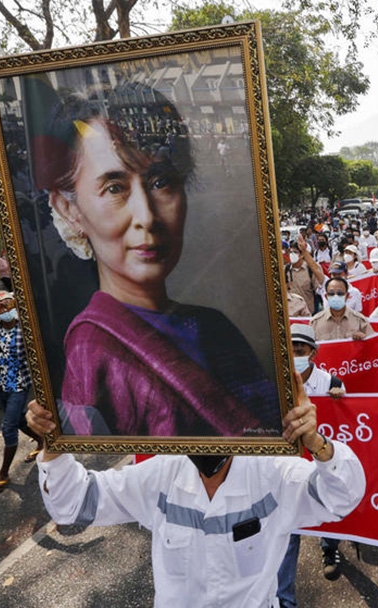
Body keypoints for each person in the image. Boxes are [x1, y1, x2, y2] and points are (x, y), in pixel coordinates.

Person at [41, 89, 281, 438]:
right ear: (70, 209)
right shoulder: (93, 350)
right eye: (114, 188)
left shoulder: (213, 327)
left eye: (160, 182)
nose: (146, 216)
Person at [26, 370, 366, 608]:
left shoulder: (273, 472)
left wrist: (317, 445)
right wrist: (53, 445)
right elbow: (72, 504)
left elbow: (343, 497)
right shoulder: (159, 475)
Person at [277, 325, 346, 607]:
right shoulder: (275, 382)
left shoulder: (331, 382)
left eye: (300, 351)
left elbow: (348, 425)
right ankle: (284, 599)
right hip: (288, 472)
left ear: (313, 353)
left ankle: (330, 549)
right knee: (287, 533)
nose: (295, 355)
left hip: (319, 467)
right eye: (290, 350)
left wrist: (341, 401)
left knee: (327, 515)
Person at [0, 291, 45, 496]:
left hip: (20, 383)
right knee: (19, 420)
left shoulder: (24, 328)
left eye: (9, 305)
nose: (6, 310)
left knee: (8, 426)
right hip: (0, 383)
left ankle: (3, 473)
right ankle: (42, 441)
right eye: (1, 306)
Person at [311, 277, 372, 341]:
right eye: (331, 294)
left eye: (340, 293)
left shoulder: (359, 320)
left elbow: (374, 343)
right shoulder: (315, 322)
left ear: (347, 296)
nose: (336, 296)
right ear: (326, 296)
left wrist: (364, 338)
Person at [287, 236, 325, 314]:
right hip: (292, 313)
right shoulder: (285, 270)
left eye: (295, 252)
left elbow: (320, 279)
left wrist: (304, 250)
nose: (292, 254)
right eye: (290, 252)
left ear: (302, 255)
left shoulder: (309, 270)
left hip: (309, 312)